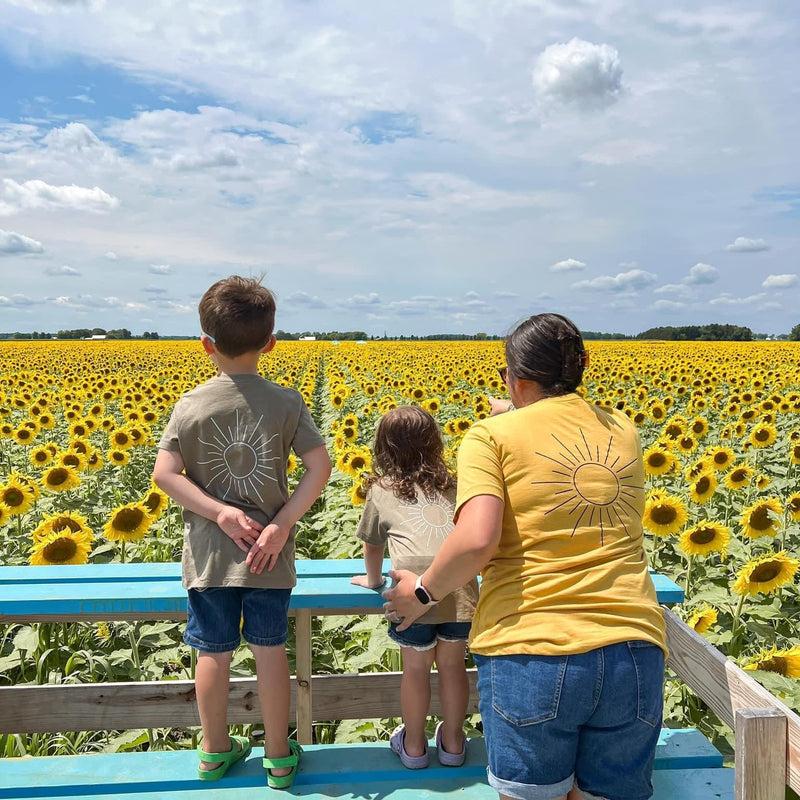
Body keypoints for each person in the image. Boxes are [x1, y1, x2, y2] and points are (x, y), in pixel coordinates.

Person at [383, 313, 667, 800]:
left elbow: (477, 539)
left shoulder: (489, 438)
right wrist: (515, 416)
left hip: (534, 649)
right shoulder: (623, 429)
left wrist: (422, 593)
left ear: (513, 378)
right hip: (633, 651)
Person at [153, 275, 331, 788]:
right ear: (271, 343)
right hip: (268, 558)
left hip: (210, 557)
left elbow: (164, 475)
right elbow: (319, 466)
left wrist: (219, 513)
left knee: (212, 651)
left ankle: (213, 751)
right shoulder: (286, 401)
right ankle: (278, 756)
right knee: (271, 650)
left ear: (205, 343)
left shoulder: (190, 404)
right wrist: (280, 524)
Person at [350, 406, 478, 769]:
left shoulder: (380, 489)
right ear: (435, 442)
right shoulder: (456, 483)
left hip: (410, 595)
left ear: (383, 448)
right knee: (453, 667)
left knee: (416, 670)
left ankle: (415, 746)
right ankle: (453, 744)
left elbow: (372, 545)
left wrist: (373, 581)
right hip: (458, 589)